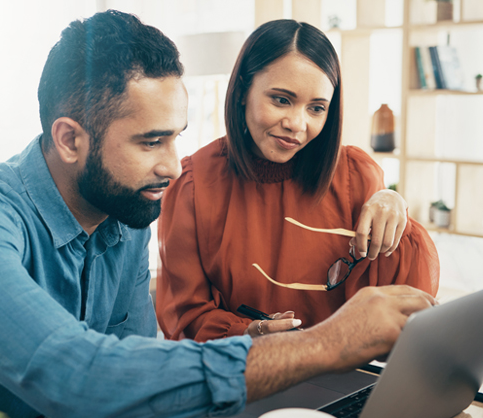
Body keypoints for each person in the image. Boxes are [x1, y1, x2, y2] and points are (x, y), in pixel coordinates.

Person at [0, 10, 435, 418]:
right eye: (151, 141)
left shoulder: (127, 214)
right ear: (70, 139)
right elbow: (82, 378)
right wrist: (327, 343)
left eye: (175, 136)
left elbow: (141, 373)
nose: (173, 168)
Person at [157, 19, 440, 342]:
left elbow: (405, 307)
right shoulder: (193, 185)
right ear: (241, 92)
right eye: (281, 100)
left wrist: (396, 207)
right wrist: (250, 333)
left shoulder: (356, 175)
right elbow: (185, 315)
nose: (297, 124)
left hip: (341, 378)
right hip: (242, 377)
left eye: (316, 108)